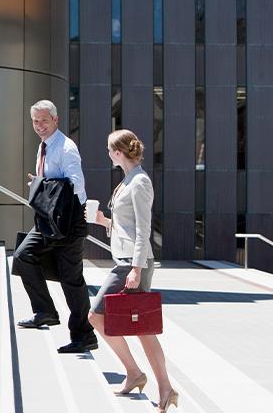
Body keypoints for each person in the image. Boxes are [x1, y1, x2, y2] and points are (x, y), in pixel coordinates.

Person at [87, 129, 178, 413]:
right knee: (140, 328)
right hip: (126, 261)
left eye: (108, 149)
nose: (107, 153)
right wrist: (104, 222)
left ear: (118, 152)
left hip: (132, 264)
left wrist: (137, 268)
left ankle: (146, 378)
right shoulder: (126, 181)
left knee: (97, 316)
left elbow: (143, 229)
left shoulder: (139, 182)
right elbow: (126, 226)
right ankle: (151, 382)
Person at [13, 99, 98, 354]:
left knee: (71, 280)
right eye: (35, 121)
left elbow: (77, 187)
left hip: (69, 222)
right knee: (23, 255)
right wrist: (40, 185)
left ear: (56, 120)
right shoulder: (43, 147)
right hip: (47, 220)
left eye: (44, 121)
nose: (39, 126)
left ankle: (84, 335)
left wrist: (45, 187)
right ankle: (45, 311)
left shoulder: (66, 147)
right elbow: (54, 183)